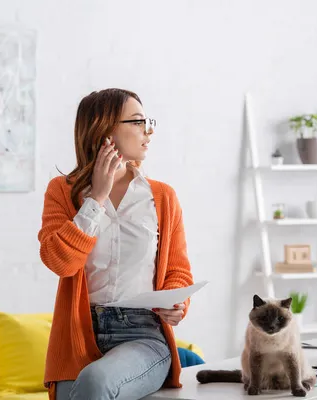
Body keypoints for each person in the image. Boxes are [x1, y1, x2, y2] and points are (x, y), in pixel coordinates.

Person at [37, 88, 195, 400]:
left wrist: (177, 305)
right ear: (105, 128)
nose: (148, 131)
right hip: (79, 337)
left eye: (147, 122)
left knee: (96, 382)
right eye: (138, 122)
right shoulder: (62, 192)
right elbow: (60, 262)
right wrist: (96, 198)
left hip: (142, 335)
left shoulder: (162, 197)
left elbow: (178, 271)